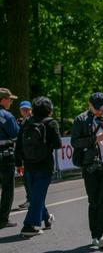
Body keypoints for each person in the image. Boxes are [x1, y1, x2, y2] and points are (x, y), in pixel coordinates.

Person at [70, 92, 103, 249]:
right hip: (90, 165)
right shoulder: (80, 120)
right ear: (90, 105)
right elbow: (75, 142)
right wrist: (95, 139)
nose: (102, 112)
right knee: (94, 201)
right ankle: (95, 234)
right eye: (98, 109)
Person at [14, 97, 62, 237]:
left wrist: (18, 163)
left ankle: (46, 219)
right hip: (44, 164)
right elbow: (58, 144)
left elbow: (19, 145)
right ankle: (29, 225)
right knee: (38, 195)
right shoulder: (50, 123)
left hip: (28, 164)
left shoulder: (27, 122)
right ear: (49, 109)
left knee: (36, 195)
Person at [0, 87, 20, 229]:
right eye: (9, 99)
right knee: (7, 189)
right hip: (5, 157)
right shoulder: (7, 116)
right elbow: (16, 135)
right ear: (3, 100)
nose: (11, 102)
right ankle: (3, 219)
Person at [15, 100, 33, 210]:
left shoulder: (34, 121)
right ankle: (30, 199)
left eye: (27, 109)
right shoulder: (21, 122)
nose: (25, 111)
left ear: (31, 110)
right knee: (27, 180)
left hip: (32, 156)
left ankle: (32, 200)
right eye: (23, 109)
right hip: (25, 156)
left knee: (30, 179)